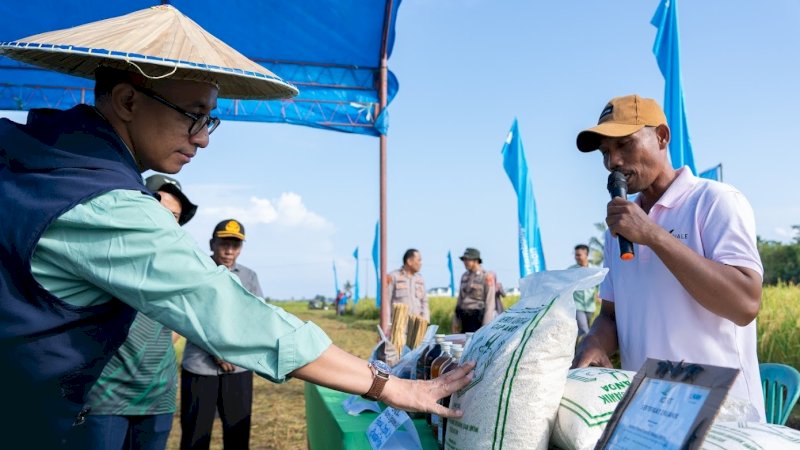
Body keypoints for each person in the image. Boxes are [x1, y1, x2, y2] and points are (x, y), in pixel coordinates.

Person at [0, 6, 474, 448]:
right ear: (127, 100)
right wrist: (388, 386)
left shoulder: (39, 159)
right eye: (193, 116)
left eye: (211, 119)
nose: (203, 138)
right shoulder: (105, 204)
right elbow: (229, 312)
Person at [571, 94, 765, 419]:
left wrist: (653, 235)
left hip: (720, 416)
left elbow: (745, 304)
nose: (613, 162)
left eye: (624, 145)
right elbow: (611, 316)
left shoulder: (714, 201)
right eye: (606, 152)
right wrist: (594, 341)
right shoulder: (617, 231)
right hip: (649, 416)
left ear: (661, 136)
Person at [71, 175, 197, 450]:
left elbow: (185, 318)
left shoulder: (178, 268)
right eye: (160, 211)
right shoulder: (107, 254)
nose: (168, 221)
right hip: (106, 396)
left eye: (175, 216)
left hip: (158, 395)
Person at [181, 220, 261, 450]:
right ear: (211, 244)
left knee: (237, 433)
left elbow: (255, 318)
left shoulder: (249, 277)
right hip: (200, 367)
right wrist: (217, 352)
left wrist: (232, 353)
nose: (229, 251)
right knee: (196, 433)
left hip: (238, 367)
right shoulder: (195, 272)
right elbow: (188, 316)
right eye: (224, 243)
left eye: (235, 245)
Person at [452, 248, 497, 333]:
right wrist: (455, 320)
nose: (464, 262)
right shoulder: (464, 276)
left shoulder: (486, 276)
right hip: (464, 319)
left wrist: (485, 327)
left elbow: (490, 303)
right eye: (464, 260)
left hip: (477, 320)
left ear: (476, 260)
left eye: (467, 260)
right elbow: (460, 301)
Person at [386, 249, 430, 321]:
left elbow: (424, 303)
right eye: (419, 260)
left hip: (416, 326)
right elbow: (386, 302)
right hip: (398, 326)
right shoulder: (393, 277)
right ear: (409, 261)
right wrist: (387, 324)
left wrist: (426, 322)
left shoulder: (420, 280)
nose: (421, 263)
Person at [570, 244, 597, 339]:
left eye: (579, 255)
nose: (576, 257)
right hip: (577, 306)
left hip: (590, 307)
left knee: (586, 331)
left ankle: (578, 351)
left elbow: (600, 284)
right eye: (575, 255)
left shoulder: (594, 270)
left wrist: (600, 295)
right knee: (584, 330)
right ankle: (585, 352)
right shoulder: (571, 270)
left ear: (586, 255)